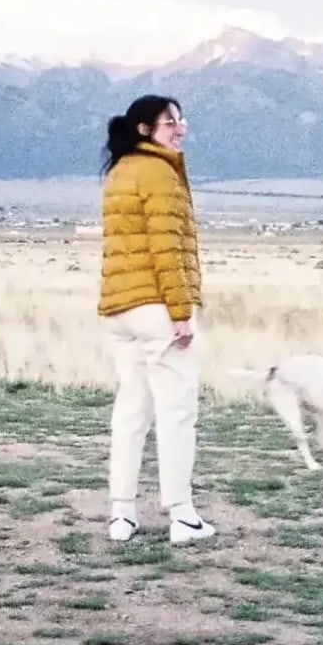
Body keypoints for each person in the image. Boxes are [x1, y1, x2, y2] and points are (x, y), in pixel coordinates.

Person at [97, 95, 216, 545]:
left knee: (131, 410)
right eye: (170, 122)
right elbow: (166, 249)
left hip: (120, 309)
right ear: (145, 129)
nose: (179, 128)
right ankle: (182, 515)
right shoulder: (159, 173)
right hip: (157, 309)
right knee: (176, 412)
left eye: (181, 120)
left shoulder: (119, 172)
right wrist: (180, 312)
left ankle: (121, 514)